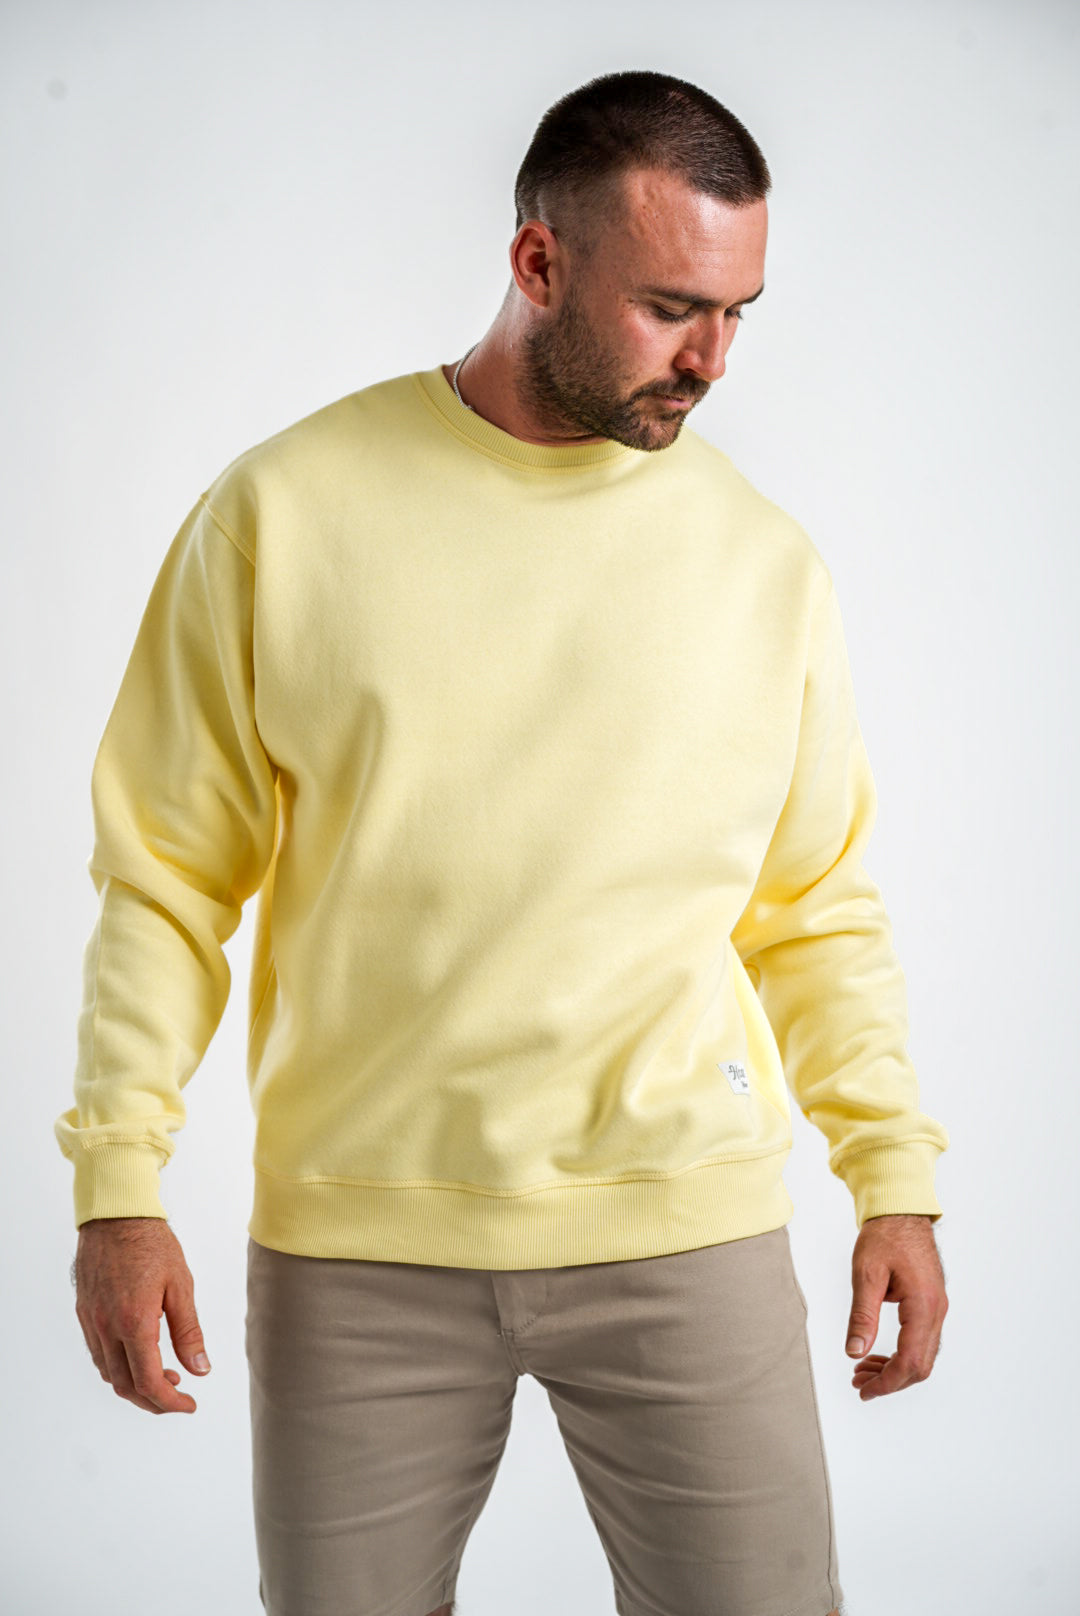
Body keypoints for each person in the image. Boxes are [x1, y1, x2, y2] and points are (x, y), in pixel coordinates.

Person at [57, 68, 950, 1616]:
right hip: (360, 1242)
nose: (712, 361)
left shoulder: (761, 564)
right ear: (538, 262)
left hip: (685, 1227)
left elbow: (813, 907)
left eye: (737, 314)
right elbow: (167, 881)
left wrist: (894, 1176)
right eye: (671, 308)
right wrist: (119, 1188)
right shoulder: (283, 514)